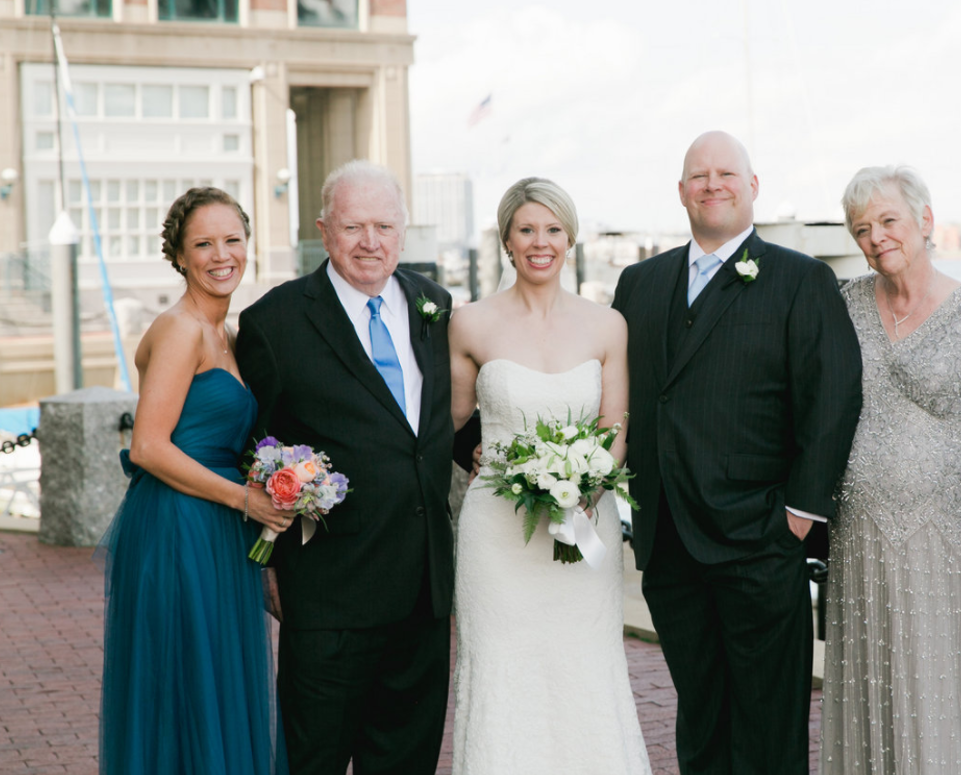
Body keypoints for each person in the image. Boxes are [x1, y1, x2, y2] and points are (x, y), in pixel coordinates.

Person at [612, 131, 862, 774]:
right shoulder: (638, 284)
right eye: (699, 175)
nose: (713, 184)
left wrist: (801, 513)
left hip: (760, 538)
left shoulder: (801, 280)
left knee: (770, 722)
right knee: (699, 714)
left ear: (753, 187)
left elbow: (831, 400)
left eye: (727, 174)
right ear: (681, 191)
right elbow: (612, 395)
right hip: (669, 542)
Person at [236, 160, 457, 774]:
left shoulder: (434, 305)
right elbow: (253, 450)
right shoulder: (274, 323)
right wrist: (267, 565)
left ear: (404, 231)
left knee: (407, 763)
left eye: (384, 225)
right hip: (330, 595)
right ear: (324, 230)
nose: (370, 242)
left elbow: (443, 427)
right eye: (353, 226)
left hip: (422, 594)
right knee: (317, 762)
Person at [820, 166, 961, 773]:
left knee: (944, 681)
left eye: (889, 221)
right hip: (861, 537)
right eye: (863, 228)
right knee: (872, 679)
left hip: (952, 539)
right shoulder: (844, 304)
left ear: (925, 222)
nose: (877, 237)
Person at [447, 177, 650, 773]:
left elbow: (616, 429)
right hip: (498, 536)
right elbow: (449, 425)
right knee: (503, 668)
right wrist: (477, 453)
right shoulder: (470, 323)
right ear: (507, 241)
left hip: (584, 527)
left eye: (553, 230)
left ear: (571, 238)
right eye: (527, 230)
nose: (541, 243)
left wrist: (584, 486)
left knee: (584, 663)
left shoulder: (607, 324)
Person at [97, 187, 293, 774]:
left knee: (210, 678)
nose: (221, 254)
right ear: (180, 256)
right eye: (203, 243)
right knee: (184, 682)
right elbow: (149, 447)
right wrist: (246, 499)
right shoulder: (181, 328)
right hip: (179, 525)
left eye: (232, 240)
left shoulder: (225, 335)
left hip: (213, 524)